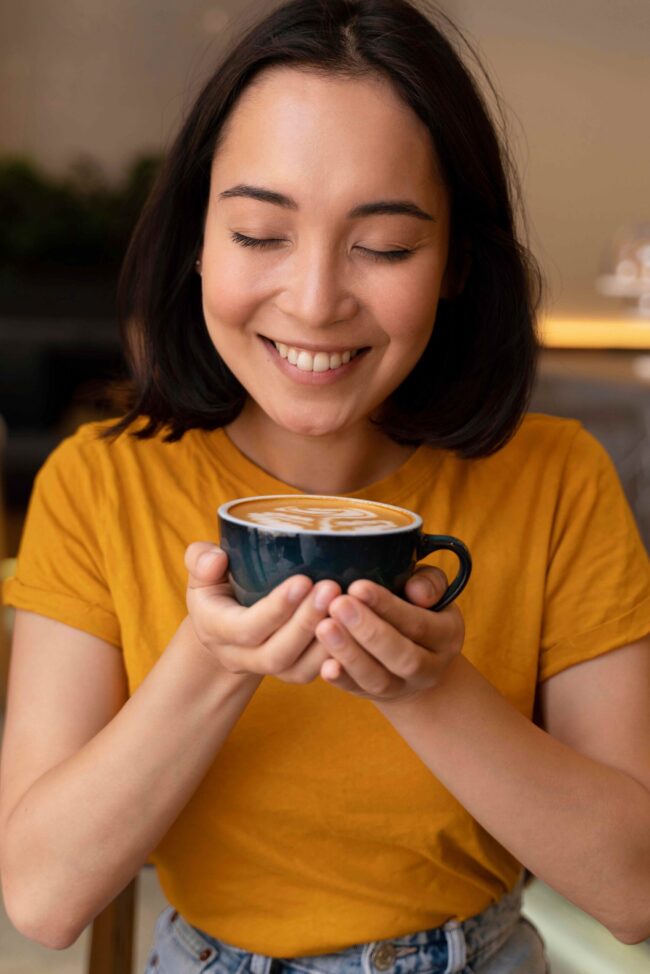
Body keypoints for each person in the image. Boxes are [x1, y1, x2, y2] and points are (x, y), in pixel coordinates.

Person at [1, 0, 649, 971]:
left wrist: (428, 687)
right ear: (195, 241)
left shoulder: (553, 478)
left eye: (382, 246)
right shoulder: (100, 484)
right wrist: (212, 661)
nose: (312, 300)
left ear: (455, 263)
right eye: (260, 233)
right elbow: (43, 900)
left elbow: (631, 889)